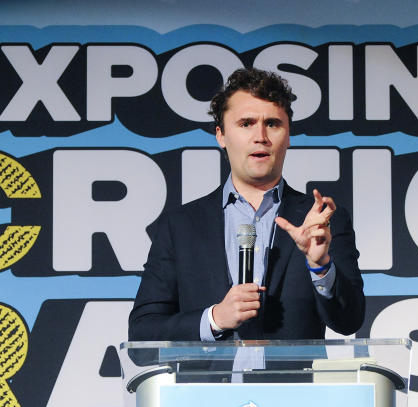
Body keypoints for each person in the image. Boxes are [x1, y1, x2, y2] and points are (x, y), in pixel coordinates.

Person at [128, 67, 364, 342]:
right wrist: (215, 318)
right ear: (221, 135)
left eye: (273, 124)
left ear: (288, 136)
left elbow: (350, 322)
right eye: (246, 124)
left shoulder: (321, 221)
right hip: (204, 385)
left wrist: (320, 265)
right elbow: (143, 331)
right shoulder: (180, 225)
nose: (260, 136)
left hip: (293, 385)